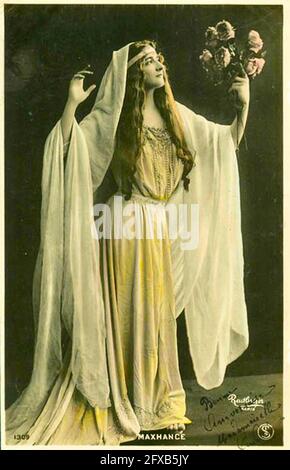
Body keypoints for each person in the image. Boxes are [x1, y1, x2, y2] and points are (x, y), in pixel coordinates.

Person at [6, 40, 249, 445]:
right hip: (122, 231)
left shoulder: (178, 116)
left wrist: (243, 106)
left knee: (155, 317)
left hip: (157, 232)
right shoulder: (116, 117)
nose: (159, 65)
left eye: (160, 59)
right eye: (150, 61)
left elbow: (223, 143)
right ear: (134, 72)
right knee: (127, 315)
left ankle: (156, 403)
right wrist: (71, 104)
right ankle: (129, 401)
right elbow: (70, 149)